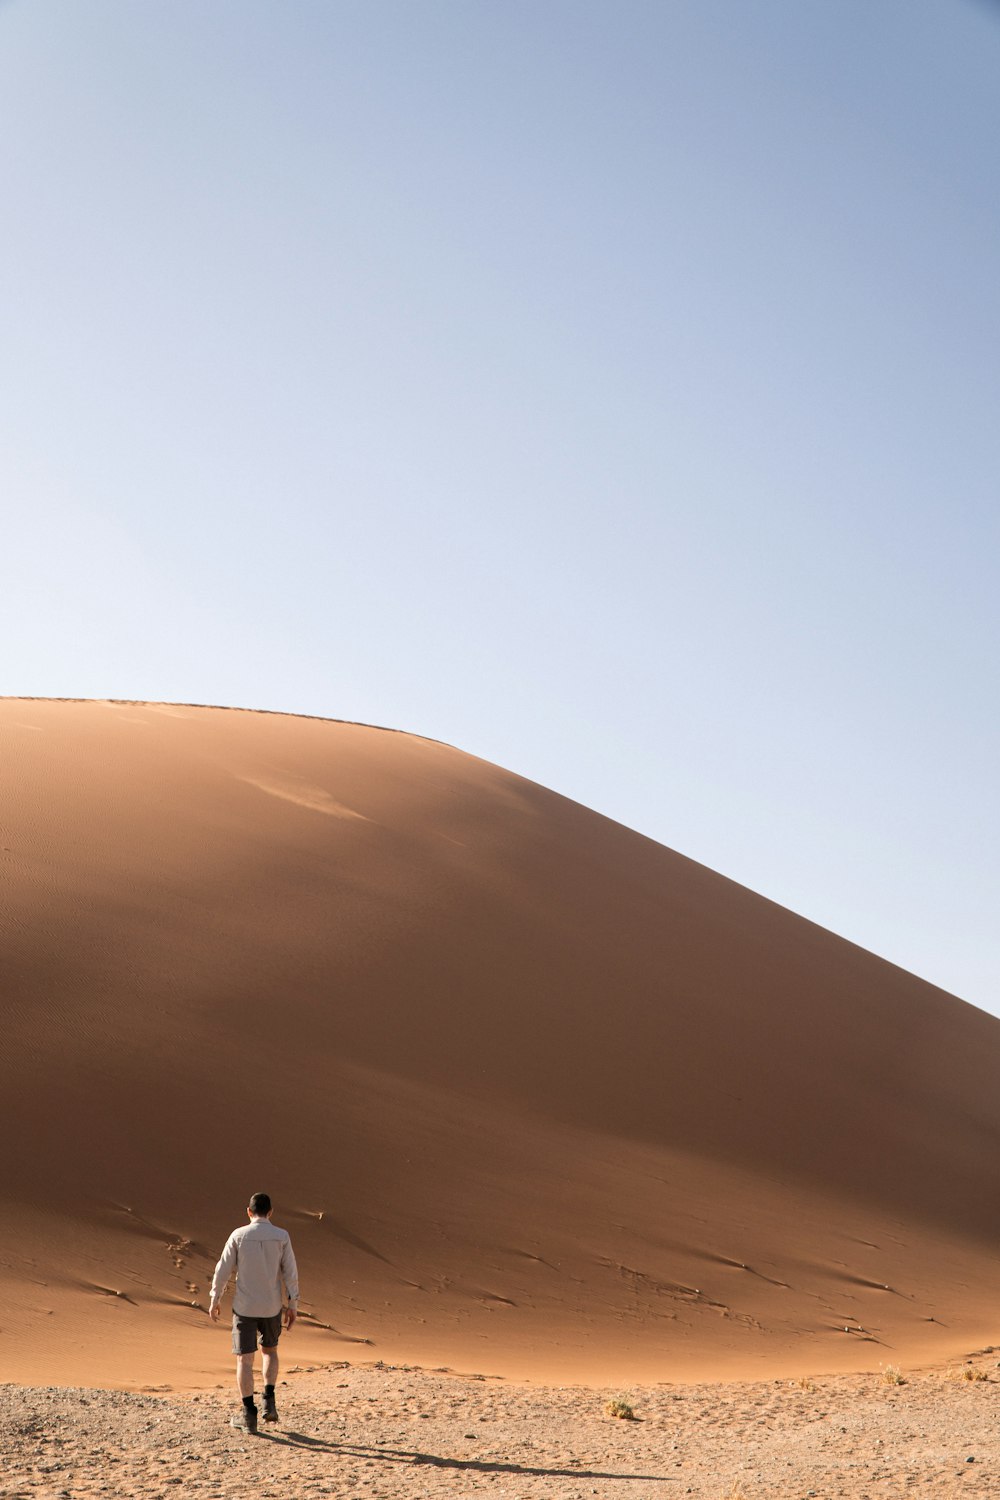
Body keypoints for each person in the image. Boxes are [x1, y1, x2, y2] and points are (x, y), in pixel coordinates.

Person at [209, 1192, 299, 1433]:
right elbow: (290, 1272)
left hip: (245, 1307)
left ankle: (249, 1414)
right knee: (269, 1351)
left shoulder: (238, 1235)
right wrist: (293, 1305)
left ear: (249, 1212)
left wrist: (215, 1297)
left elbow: (223, 1268)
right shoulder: (282, 1236)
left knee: (244, 1359)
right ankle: (269, 1399)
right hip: (271, 1307)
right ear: (270, 1212)